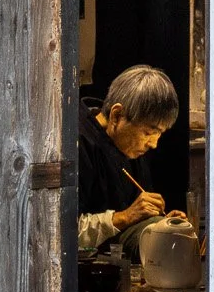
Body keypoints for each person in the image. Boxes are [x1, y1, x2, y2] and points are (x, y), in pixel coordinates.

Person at [77, 64, 179, 252]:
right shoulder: (79, 142)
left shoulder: (131, 146)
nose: (153, 143)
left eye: (159, 134)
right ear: (116, 115)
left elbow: (139, 212)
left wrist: (164, 221)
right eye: (149, 132)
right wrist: (125, 217)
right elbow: (63, 231)